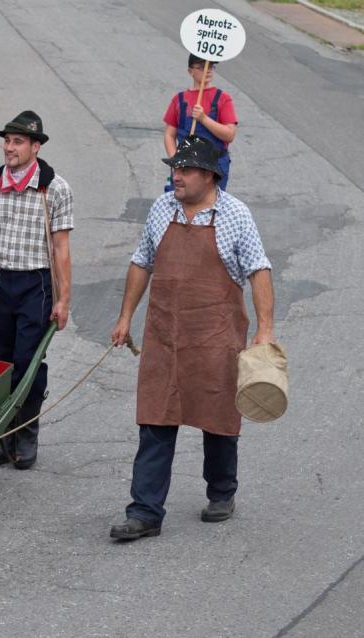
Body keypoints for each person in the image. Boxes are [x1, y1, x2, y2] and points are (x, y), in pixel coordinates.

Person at [109, 135, 274, 541]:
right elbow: (141, 261)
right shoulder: (162, 208)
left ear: (209, 175)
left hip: (216, 336)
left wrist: (265, 329)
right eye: (174, 169)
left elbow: (258, 270)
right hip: (164, 335)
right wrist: (125, 317)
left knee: (218, 417)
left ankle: (222, 491)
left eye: (184, 170)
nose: (176, 176)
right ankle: (144, 512)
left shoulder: (235, 215)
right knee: (155, 417)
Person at [0, 111, 73, 470]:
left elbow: (61, 249)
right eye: (7, 141)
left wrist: (63, 299)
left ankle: (26, 432)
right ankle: (2, 434)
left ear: (35, 147)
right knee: (0, 361)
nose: (9, 148)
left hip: (35, 283)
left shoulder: (53, 188)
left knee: (27, 361)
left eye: (18, 142)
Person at [163, 54, 237, 191]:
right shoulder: (179, 100)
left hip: (214, 166)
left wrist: (204, 119)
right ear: (190, 71)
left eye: (210, 66)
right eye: (201, 67)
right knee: (180, 202)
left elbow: (229, 135)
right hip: (185, 164)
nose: (207, 70)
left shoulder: (223, 98)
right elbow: (169, 134)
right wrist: (176, 161)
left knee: (210, 203)